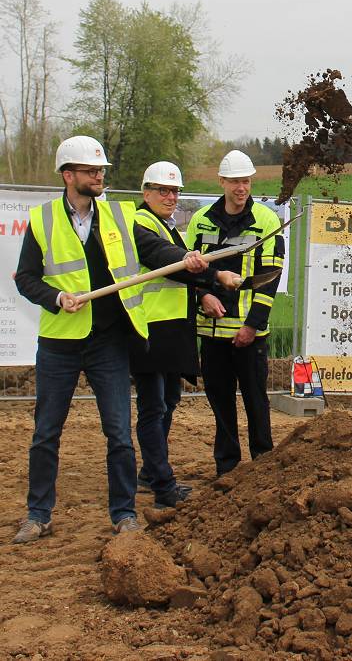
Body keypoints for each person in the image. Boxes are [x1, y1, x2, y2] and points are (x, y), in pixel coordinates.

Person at [11, 136, 218, 543]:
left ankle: (123, 513)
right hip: (60, 342)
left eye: (101, 170)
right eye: (91, 171)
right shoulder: (42, 220)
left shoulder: (119, 218)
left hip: (108, 342)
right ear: (68, 175)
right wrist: (55, 297)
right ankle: (38, 514)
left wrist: (191, 265)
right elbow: (26, 279)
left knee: (119, 433)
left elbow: (156, 253)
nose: (99, 176)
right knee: (46, 433)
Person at [131, 162, 241, 508]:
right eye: (163, 190)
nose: (170, 197)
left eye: (175, 191)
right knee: (154, 407)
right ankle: (162, 485)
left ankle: (151, 472)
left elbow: (181, 267)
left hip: (171, 331)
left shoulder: (167, 225)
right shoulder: (140, 224)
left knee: (167, 403)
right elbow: (165, 258)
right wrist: (213, 274)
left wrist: (206, 282)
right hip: (150, 330)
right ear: (146, 192)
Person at [185, 150, 284, 477]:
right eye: (235, 181)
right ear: (222, 182)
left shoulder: (267, 221)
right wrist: (202, 296)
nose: (241, 187)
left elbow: (271, 278)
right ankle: (226, 469)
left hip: (248, 334)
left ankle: (263, 464)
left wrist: (253, 325)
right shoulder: (201, 220)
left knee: (256, 402)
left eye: (246, 181)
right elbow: (188, 270)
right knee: (221, 403)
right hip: (211, 333)